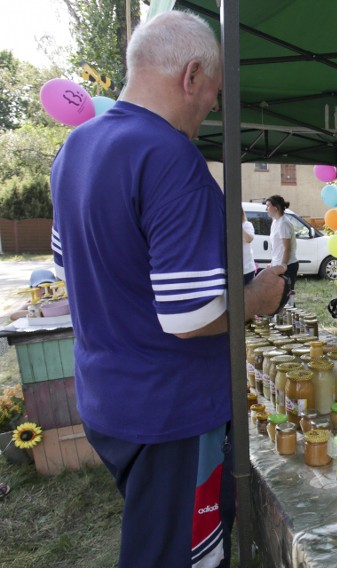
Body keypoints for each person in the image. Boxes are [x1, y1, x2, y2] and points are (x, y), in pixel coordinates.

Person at [49, 11, 285, 568]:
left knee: (154, 538)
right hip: (170, 412)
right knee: (179, 556)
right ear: (193, 75)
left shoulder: (74, 149)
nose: (210, 110)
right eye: (214, 94)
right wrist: (256, 299)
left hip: (107, 399)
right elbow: (190, 315)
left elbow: (68, 271)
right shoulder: (170, 156)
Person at [265, 194, 299, 298]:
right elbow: (276, 247)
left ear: (276, 208)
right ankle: (279, 314)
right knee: (277, 295)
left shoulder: (283, 223)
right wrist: (273, 263)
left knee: (286, 295)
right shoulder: (275, 222)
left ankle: (289, 313)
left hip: (287, 265)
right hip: (278, 264)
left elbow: (287, 248)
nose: (266, 209)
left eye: (268, 206)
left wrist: (283, 265)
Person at [242, 208, 257, 284]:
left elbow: (249, 239)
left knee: (248, 293)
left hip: (247, 268)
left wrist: (237, 225)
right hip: (233, 269)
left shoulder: (247, 225)